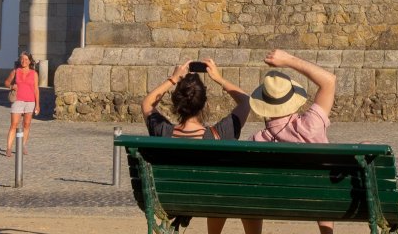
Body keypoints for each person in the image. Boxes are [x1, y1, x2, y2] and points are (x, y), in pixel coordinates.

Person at [142, 59, 251, 234]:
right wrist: (219, 78)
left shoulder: (163, 132)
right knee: (217, 189)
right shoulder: (220, 134)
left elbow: (147, 104)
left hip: (170, 200)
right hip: (211, 201)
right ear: (204, 104)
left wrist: (173, 79)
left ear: (176, 103)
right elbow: (246, 102)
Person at [243, 49, 338, 234]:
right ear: (293, 98)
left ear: (263, 105)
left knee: (250, 194)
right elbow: (329, 81)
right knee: (320, 186)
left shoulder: (256, 142)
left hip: (273, 202)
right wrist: (289, 60)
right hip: (321, 198)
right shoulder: (312, 126)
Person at [4, 51, 40, 156]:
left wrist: (37, 104)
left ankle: (23, 145)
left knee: (27, 124)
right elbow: (6, 82)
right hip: (18, 100)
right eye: (22, 59)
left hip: (30, 101)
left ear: (30, 61)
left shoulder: (34, 73)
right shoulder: (15, 71)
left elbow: (36, 89)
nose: (24, 61)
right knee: (14, 124)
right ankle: (9, 148)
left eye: (26, 59)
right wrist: (11, 86)